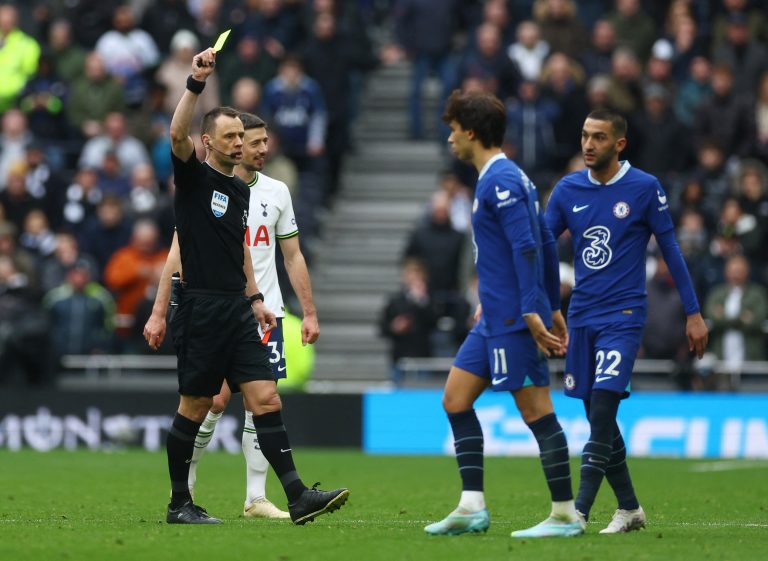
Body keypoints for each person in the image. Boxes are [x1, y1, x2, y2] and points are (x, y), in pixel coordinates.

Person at [148, 46, 346, 525]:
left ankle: (296, 495)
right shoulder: (192, 178)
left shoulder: (242, 190)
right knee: (197, 405)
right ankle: (180, 503)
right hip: (199, 307)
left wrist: (255, 297)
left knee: (266, 397)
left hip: (238, 310)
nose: (239, 143)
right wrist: (195, 83)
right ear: (208, 144)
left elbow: (239, 249)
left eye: (243, 136)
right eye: (231, 136)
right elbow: (177, 131)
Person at [424, 90, 583, 538]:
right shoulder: (502, 178)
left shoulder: (502, 180)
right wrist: (549, 303)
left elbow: (530, 246)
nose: (450, 138)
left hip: (514, 319)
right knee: (455, 399)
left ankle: (565, 513)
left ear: (470, 132)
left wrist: (536, 309)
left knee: (537, 413)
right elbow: (547, 242)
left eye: (453, 129)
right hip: (492, 317)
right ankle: (472, 507)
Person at [545, 109, 709, 534]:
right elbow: (542, 246)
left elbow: (671, 249)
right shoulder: (567, 189)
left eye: (598, 137)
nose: (588, 144)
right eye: (584, 135)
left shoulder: (643, 188)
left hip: (623, 316)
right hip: (580, 317)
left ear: (619, 144)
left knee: (601, 412)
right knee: (598, 418)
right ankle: (630, 509)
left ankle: (575, 512)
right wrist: (541, 303)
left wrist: (693, 312)